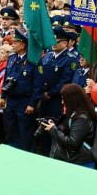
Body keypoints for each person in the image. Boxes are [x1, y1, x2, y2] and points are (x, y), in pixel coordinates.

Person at [35, 27, 80, 155]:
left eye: (57, 41)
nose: (53, 44)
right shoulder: (48, 57)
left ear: (65, 43)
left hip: (57, 101)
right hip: (44, 99)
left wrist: (49, 93)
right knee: (43, 129)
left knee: (54, 130)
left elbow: (65, 82)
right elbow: (40, 75)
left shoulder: (70, 59)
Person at [0, 30, 40, 152]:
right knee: (10, 129)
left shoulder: (33, 61)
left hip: (25, 101)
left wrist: (32, 104)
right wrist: (3, 96)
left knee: (24, 131)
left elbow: (37, 86)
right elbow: (6, 78)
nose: (13, 44)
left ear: (23, 45)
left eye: (15, 42)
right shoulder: (12, 58)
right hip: (11, 100)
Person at [41, 84, 97, 169]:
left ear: (72, 100)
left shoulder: (82, 119)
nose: (62, 102)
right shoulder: (73, 114)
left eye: (64, 99)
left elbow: (72, 143)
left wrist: (54, 130)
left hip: (79, 164)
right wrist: (55, 124)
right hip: (70, 161)